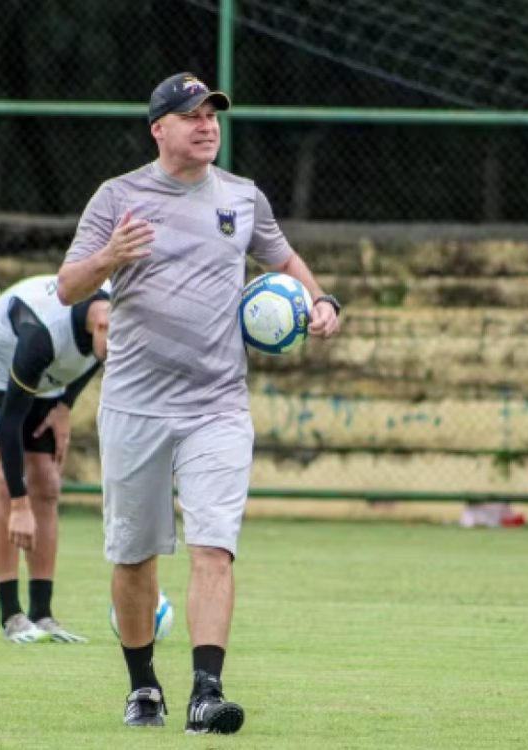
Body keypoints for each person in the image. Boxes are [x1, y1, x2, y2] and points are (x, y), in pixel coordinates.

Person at [57, 72, 342, 733]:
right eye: (192, 116)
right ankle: (143, 688)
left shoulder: (243, 196)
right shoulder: (118, 197)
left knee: (214, 546)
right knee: (134, 555)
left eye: (212, 114)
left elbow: (285, 261)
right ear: (159, 129)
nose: (207, 125)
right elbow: (69, 288)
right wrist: (110, 256)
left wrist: (322, 300)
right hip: (135, 406)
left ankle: (206, 694)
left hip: (218, 405)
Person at [0, 274, 110, 644]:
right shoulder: (41, 335)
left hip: (48, 376)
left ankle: (42, 614)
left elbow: (95, 359)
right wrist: (19, 504)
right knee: (4, 480)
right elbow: (11, 420)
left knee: (47, 482)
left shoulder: (119, 315)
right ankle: (12, 615)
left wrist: (64, 406)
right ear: (101, 327)